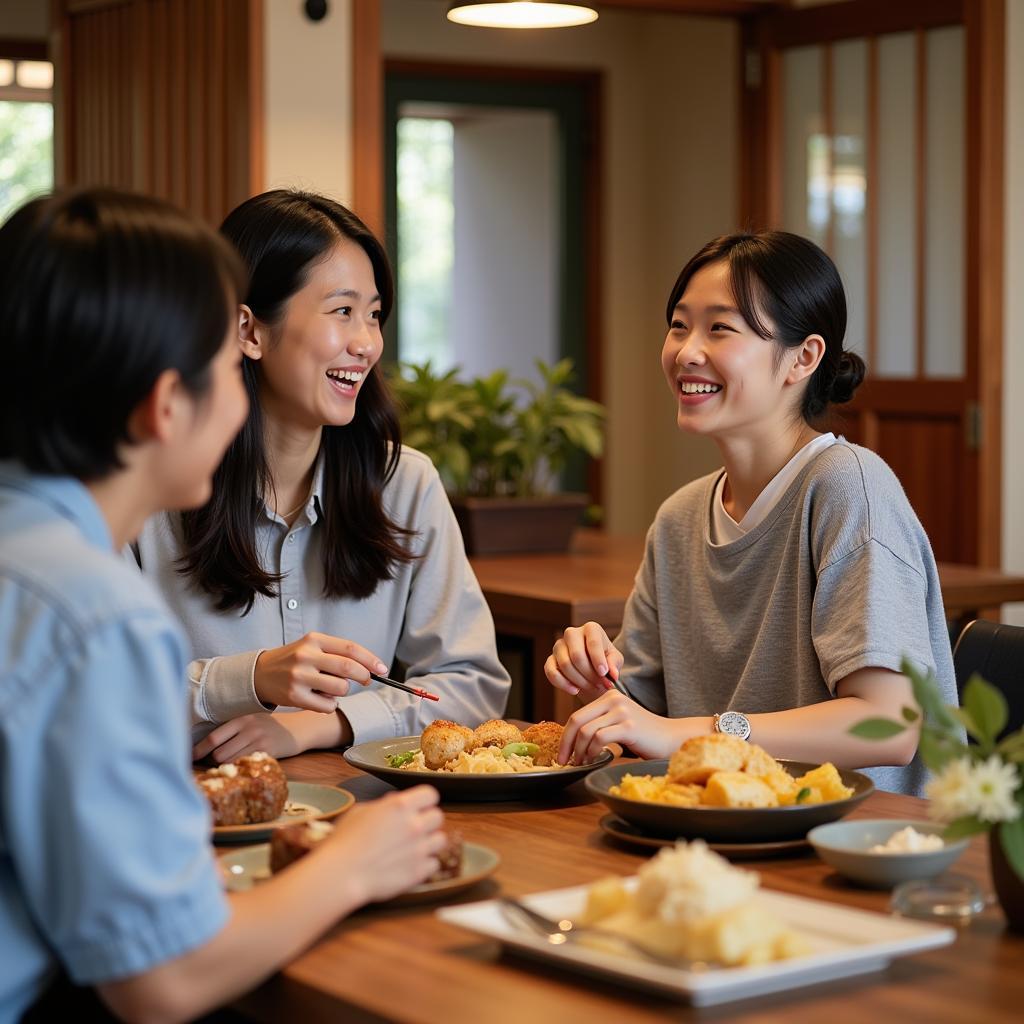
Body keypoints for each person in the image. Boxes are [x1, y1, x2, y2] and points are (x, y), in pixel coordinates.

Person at [0, 188, 447, 1023]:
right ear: (167, 405)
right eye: (219, 363)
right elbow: (162, 981)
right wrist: (352, 863)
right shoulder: (95, 615)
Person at [544, 230, 958, 796]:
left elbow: (888, 725)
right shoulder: (679, 518)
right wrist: (590, 677)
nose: (687, 350)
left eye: (720, 328)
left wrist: (700, 732)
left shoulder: (848, 489)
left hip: (863, 841)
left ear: (803, 357)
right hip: (724, 826)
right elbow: (642, 720)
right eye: (679, 325)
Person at [132, 189, 509, 764]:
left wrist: (328, 722)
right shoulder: (151, 492)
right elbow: (92, 692)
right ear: (249, 330)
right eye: (342, 311)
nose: (366, 343)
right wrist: (250, 679)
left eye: (374, 315)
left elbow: (473, 684)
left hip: (358, 818)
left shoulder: (404, 484)